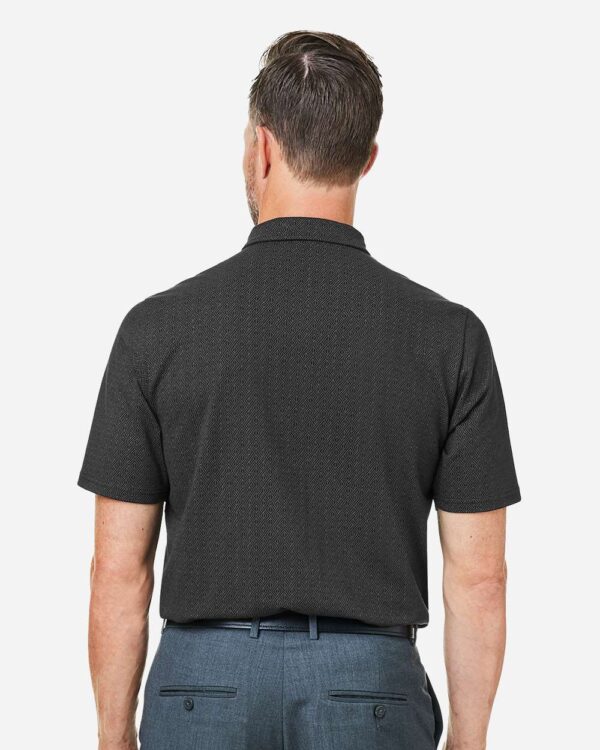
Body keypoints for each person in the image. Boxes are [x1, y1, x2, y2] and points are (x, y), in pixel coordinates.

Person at [78, 30, 521, 750]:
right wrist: (469, 738)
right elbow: (480, 577)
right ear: (367, 158)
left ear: (260, 148)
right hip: (371, 690)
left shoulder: (156, 330)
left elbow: (117, 570)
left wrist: (111, 735)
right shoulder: (451, 338)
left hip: (200, 691)